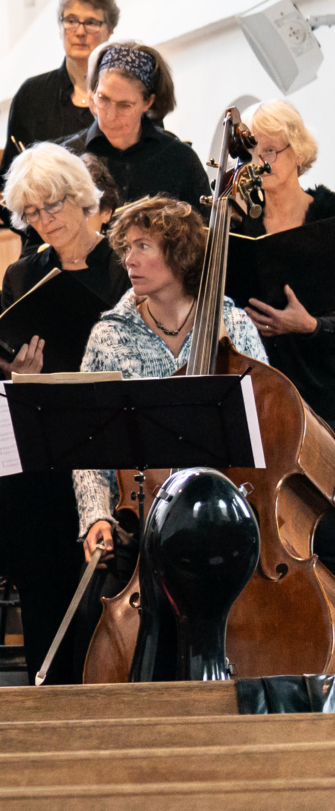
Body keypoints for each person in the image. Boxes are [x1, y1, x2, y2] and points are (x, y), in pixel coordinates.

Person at [78, 198, 272, 573]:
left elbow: (267, 423)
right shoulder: (108, 335)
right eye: (127, 248)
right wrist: (96, 517)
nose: (129, 260)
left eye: (143, 246)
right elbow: (90, 447)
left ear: (180, 255)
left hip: (228, 518)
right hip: (142, 521)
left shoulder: (234, 326)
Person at [0, 142, 124, 685]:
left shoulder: (124, 270)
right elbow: (12, 365)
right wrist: (22, 373)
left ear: (84, 200)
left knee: (99, 596)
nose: (45, 221)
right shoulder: (23, 276)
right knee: (42, 588)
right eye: (33, 212)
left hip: (104, 445)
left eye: (54, 206)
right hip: (43, 451)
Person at [234, 100, 335, 427]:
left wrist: (311, 326)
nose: (259, 163)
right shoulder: (237, 225)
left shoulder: (330, 218)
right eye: (250, 152)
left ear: (299, 151)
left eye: (270, 150)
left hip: (325, 383)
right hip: (259, 388)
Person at [54, 39, 208, 209]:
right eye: (103, 98)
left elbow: (203, 231)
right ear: (93, 93)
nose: (110, 116)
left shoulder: (180, 159)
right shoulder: (65, 158)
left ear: (147, 102)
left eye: (124, 105)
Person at [3, 0, 119, 171]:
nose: (80, 32)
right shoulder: (31, 95)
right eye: (71, 21)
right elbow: (10, 172)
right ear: (60, 26)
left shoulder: (127, 94)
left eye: (91, 23)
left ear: (110, 29)